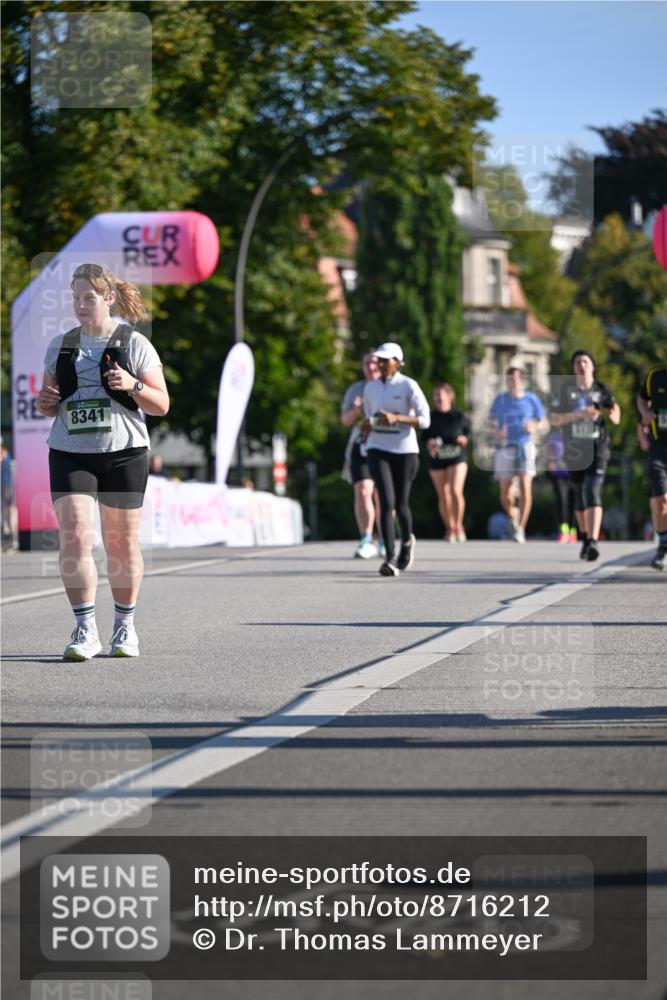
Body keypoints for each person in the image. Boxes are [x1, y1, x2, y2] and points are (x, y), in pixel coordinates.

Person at [36, 262, 169, 660]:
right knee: (74, 535)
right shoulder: (61, 345)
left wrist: (133, 385)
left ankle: (125, 627)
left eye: (88, 298)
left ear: (108, 298)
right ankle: (84, 628)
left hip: (123, 452)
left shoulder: (133, 343)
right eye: (75, 298)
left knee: (121, 544)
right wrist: (46, 403)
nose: (80, 305)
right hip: (69, 451)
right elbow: (48, 401)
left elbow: (161, 404)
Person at [361, 341, 430, 576]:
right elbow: (369, 415)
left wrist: (398, 418)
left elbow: (425, 420)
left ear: (398, 362)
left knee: (401, 504)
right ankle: (389, 557)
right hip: (377, 448)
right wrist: (368, 426)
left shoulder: (409, 385)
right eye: (378, 359)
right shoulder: (370, 388)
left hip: (405, 451)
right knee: (385, 502)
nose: (380, 364)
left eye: (385, 360)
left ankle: (407, 543)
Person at [550, 350, 620, 562]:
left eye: (585, 361)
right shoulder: (566, 391)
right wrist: (580, 414)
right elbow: (555, 420)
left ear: (592, 366)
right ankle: (585, 537)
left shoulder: (601, 389)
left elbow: (614, 408)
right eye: (577, 362)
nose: (581, 365)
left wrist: (613, 413)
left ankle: (592, 540)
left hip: (598, 447)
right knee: (579, 495)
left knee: (592, 490)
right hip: (574, 450)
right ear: (573, 368)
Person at [488, 366, 547, 543]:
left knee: (525, 487)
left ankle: (520, 528)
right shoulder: (500, 399)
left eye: (516, 379)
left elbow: (544, 421)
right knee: (505, 493)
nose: (513, 382)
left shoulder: (531, 399)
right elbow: (490, 422)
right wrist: (496, 433)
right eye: (509, 379)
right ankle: (513, 514)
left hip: (525, 445)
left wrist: (534, 427)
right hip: (505, 447)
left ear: (522, 380)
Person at [340, 349, 381, 559]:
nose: (371, 367)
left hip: (384, 446)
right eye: (367, 363)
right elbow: (345, 421)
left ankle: (384, 537)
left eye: (375, 363)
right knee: (363, 491)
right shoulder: (355, 389)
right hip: (361, 445)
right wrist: (356, 410)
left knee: (382, 495)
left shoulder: (389, 387)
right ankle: (366, 538)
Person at [422, 382, 470, 542]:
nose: (437, 398)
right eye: (435, 395)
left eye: (440, 394)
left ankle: (458, 525)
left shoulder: (459, 416)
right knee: (443, 494)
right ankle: (449, 527)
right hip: (437, 459)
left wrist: (463, 439)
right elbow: (424, 438)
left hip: (457, 457)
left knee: (456, 491)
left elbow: (468, 434)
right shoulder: (430, 417)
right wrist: (429, 443)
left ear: (450, 396)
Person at [637, 364, 667, 572]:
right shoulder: (655, 377)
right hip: (659, 447)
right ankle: (663, 546)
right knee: (660, 499)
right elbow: (641, 398)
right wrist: (645, 412)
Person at [545, 429, 577, 543]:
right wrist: (550, 462)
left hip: (574, 474)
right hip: (558, 474)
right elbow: (550, 452)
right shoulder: (554, 436)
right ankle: (563, 530)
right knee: (561, 500)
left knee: (574, 502)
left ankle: (573, 530)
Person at [1, 439, 15, 548]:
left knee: (7, 510)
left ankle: (9, 536)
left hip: (6, 486)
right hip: (4, 486)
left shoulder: (5, 454)